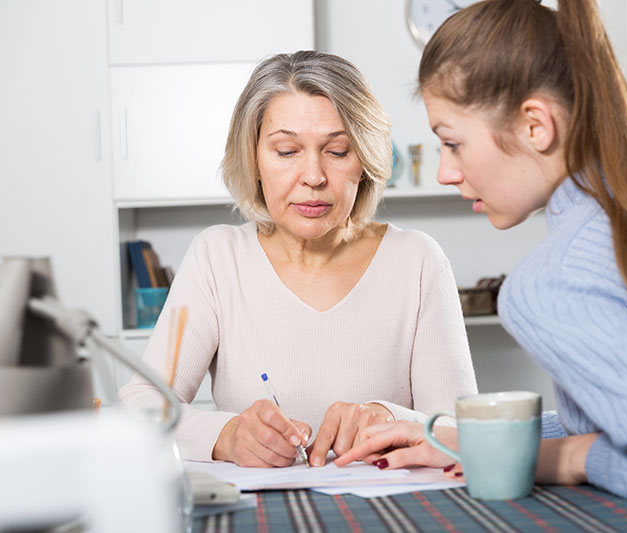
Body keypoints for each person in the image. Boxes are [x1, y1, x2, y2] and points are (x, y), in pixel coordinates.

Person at [334, 1, 627, 531]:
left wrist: (558, 459)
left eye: (453, 143)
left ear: (536, 125)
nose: (445, 171)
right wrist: (466, 439)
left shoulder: (550, 286)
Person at [119, 51, 477, 468]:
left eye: (338, 151)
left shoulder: (417, 261)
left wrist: (388, 417)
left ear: (365, 162)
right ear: (254, 160)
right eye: (287, 151)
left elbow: (461, 430)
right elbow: (139, 405)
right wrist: (226, 436)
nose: (313, 176)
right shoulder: (217, 259)